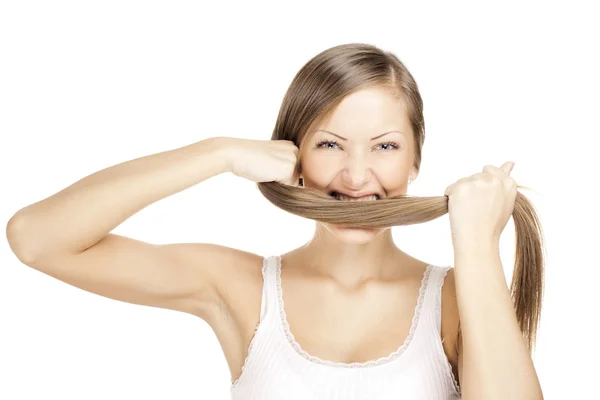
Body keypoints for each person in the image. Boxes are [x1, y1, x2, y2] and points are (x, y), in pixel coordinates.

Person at [6, 43, 543, 399]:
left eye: (385, 146)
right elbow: (36, 239)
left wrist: (476, 247)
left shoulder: (457, 299)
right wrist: (215, 154)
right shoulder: (238, 288)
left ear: (415, 160)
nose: (357, 176)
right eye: (329, 143)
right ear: (295, 157)